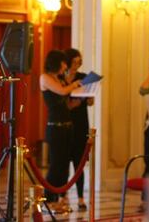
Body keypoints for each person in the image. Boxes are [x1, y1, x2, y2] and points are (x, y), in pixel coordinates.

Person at [39, 50, 81, 209]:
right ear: (56, 62)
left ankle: (60, 199)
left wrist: (73, 104)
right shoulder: (45, 77)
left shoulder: (60, 78)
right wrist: (75, 84)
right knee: (56, 166)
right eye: (64, 63)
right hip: (55, 128)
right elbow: (62, 91)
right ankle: (49, 199)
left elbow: (64, 102)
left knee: (64, 166)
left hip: (67, 127)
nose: (65, 66)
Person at [64, 48, 94, 211]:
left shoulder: (84, 78)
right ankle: (62, 196)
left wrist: (89, 98)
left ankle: (81, 198)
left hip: (81, 122)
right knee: (62, 163)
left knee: (79, 163)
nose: (77, 65)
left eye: (79, 62)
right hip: (64, 123)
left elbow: (90, 103)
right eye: (74, 62)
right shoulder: (60, 79)